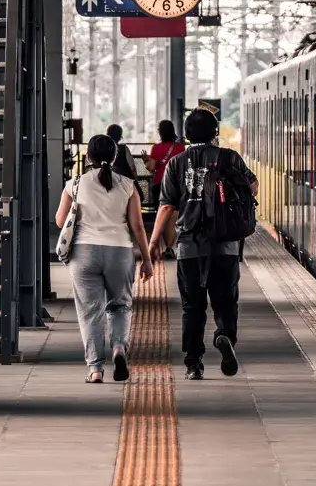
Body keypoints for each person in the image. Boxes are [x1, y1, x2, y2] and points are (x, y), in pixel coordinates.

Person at [148, 107, 258, 380]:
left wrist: (153, 243)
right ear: (214, 132)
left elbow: (166, 207)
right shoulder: (229, 157)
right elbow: (253, 186)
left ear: (186, 134)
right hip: (225, 245)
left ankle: (193, 364)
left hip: (189, 246)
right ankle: (224, 335)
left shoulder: (176, 163)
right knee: (225, 301)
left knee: (192, 307)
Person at [56, 133, 154, 384]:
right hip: (120, 252)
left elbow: (60, 220)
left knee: (91, 312)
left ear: (88, 157)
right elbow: (137, 226)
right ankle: (119, 348)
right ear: (114, 157)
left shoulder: (75, 183)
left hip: (84, 253)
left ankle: (95, 369)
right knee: (120, 306)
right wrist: (147, 259)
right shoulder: (128, 185)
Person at [142, 119, 185, 211]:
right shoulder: (181, 147)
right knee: (176, 211)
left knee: (160, 211)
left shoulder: (156, 147)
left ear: (160, 132)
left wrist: (146, 160)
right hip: (176, 183)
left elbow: (151, 168)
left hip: (160, 183)